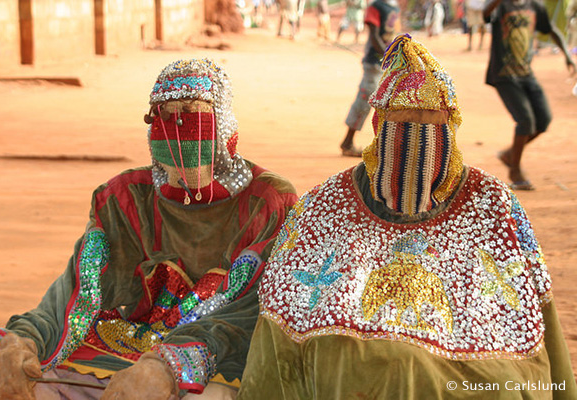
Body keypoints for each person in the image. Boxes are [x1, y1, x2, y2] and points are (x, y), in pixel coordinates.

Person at [238, 34, 577, 399]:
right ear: (379, 127)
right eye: (401, 125)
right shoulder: (326, 203)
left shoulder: (492, 203)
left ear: (451, 127)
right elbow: (289, 298)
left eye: (430, 125)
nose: (416, 142)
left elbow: (525, 302)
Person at [0, 59, 297, 400]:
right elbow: (78, 290)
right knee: (13, 380)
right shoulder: (123, 198)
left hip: (218, 357)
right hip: (122, 346)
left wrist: (167, 367)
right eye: (165, 115)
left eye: (191, 112)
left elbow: (249, 313)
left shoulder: (269, 202)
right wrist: (21, 340)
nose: (178, 126)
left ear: (223, 123)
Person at [484, 0, 576, 190]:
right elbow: (486, 14)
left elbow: (551, 30)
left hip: (526, 73)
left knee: (543, 120)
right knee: (525, 121)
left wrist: (567, 55)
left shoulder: (535, 6)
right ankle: (515, 172)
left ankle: (509, 154)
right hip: (503, 74)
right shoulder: (501, 6)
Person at [339, 0, 400, 157]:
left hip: (386, 66)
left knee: (389, 106)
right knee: (363, 103)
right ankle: (347, 142)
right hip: (374, 65)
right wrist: (388, 57)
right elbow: (373, 35)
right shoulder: (376, 6)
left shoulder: (394, 6)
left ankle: (387, 148)